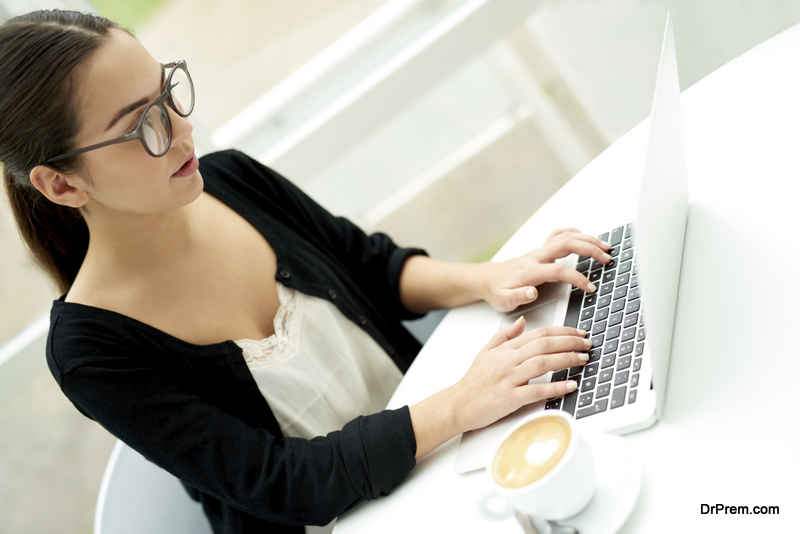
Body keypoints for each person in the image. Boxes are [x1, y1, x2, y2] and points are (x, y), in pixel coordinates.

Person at [0, 9, 611, 534]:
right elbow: (281, 482)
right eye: (141, 127)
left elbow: (371, 266)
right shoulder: (91, 348)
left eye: (168, 94)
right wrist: (459, 404)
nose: (181, 130)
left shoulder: (233, 179)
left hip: (451, 454)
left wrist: (489, 278)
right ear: (62, 184)